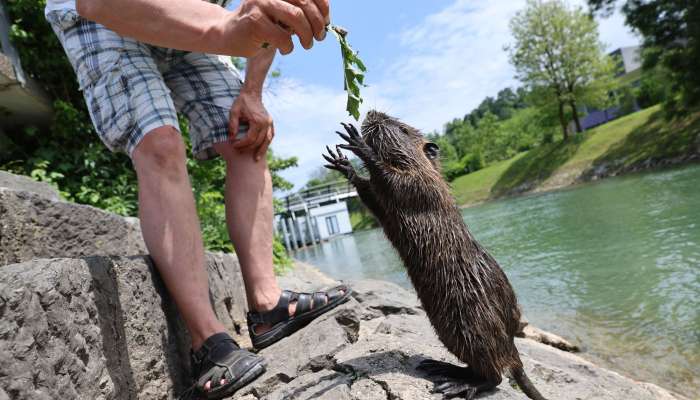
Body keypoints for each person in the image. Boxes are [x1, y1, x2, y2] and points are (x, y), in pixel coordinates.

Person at [45, 0, 351, 398]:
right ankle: (207, 342)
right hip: (102, 12)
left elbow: (274, 16)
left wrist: (253, 91)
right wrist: (225, 29)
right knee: (159, 142)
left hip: (194, 14)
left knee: (247, 136)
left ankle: (267, 303)